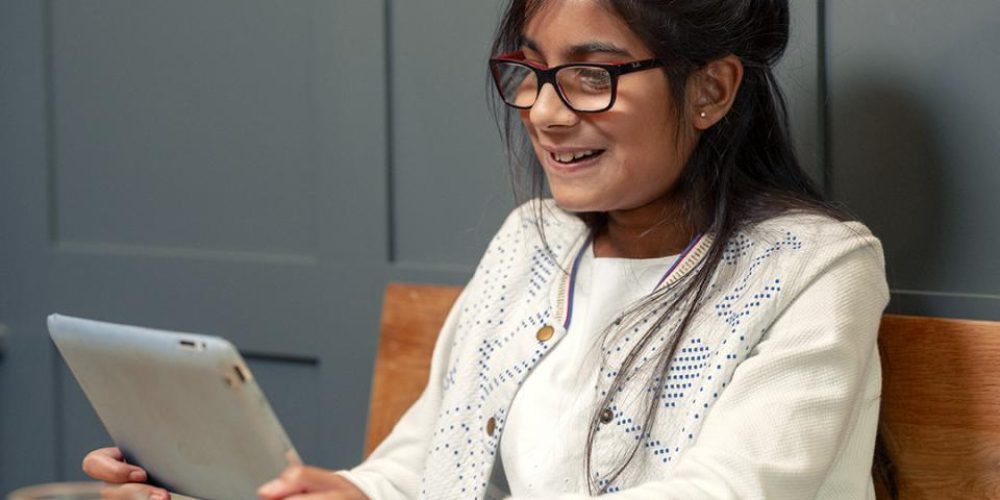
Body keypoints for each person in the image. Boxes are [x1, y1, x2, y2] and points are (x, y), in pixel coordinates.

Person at [83, 0, 893, 498]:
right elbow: (425, 466)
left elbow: (728, 491)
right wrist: (332, 493)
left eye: (591, 76)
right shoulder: (532, 244)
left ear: (712, 89)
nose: (542, 112)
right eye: (531, 73)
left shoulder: (816, 267)